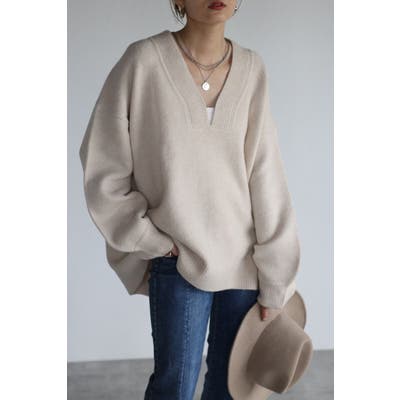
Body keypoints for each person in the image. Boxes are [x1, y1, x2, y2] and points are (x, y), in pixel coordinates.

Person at [79, 1, 301, 399]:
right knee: (174, 388)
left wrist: (276, 276)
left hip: (244, 264)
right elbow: (103, 163)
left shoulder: (252, 69)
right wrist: (150, 240)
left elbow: (266, 175)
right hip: (178, 261)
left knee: (230, 390)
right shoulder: (143, 62)